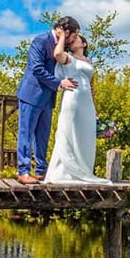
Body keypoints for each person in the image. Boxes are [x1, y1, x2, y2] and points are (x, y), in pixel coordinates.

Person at [15, 16, 79, 185]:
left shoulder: (62, 47)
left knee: (43, 135)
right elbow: (36, 68)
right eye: (74, 35)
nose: (74, 39)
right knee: (26, 133)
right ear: (66, 31)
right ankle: (23, 171)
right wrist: (59, 83)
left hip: (48, 97)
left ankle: (41, 171)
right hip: (31, 94)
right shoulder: (40, 41)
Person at [44, 32, 111, 184]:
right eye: (72, 39)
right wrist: (62, 35)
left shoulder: (89, 61)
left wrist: (95, 109)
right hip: (72, 97)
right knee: (69, 131)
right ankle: (64, 171)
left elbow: (92, 86)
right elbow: (57, 54)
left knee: (85, 135)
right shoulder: (68, 58)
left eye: (77, 38)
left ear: (84, 44)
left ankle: (84, 170)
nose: (73, 40)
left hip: (86, 101)